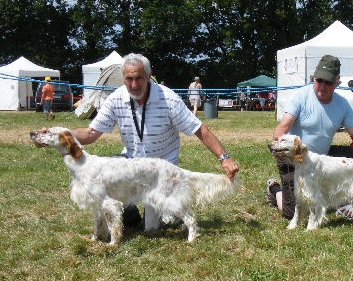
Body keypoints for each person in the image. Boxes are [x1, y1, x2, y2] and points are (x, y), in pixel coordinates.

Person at [71, 54, 239, 231]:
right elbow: (90, 133)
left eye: (139, 78)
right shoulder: (115, 99)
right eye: (129, 79)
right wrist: (60, 134)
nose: (134, 85)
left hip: (161, 172)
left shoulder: (169, 99)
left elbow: (200, 130)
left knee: (151, 229)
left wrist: (224, 158)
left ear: (149, 76)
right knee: (109, 170)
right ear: (123, 78)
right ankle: (131, 216)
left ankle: (170, 213)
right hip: (131, 164)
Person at [266, 54, 353, 220]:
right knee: (291, 212)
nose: (322, 86)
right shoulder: (299, 97)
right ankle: (274, 189)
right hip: (295, 157)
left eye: (328, 82)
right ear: (314, 78)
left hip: (321, 159)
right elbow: (283, 128)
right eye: (319, 80)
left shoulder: (342, 104)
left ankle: (343, 199)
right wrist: (281, 147)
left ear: (336, 83)